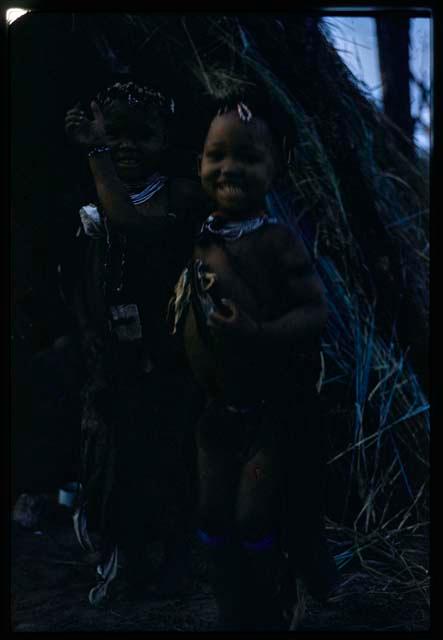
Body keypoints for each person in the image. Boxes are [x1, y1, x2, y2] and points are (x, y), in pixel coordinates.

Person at [168, 92, 340, 630]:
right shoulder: (198, 235)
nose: (228, 169)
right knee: (212, 513)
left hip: (267, 412)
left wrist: (259, 331)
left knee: (251, 514)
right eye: (216, 154)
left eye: (248, 157)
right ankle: (233, 612)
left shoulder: (276, 242)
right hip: (217, 411)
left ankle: (273, 607)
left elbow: (316, 312)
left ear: (277, 167)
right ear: (198, 161)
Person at [64, 80, 209, 605]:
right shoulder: (90, 201)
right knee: (120, 460)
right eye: (114, 134)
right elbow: (85, 279)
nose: (126, 145)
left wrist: (97, 153)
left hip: (172, 363)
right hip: (117, 362)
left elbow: (134, 227)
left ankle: (175, 561)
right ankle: (127, 560)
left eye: (141, 135)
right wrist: (94, 343)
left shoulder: (180, 194)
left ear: (167, 138)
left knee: (172, 462)